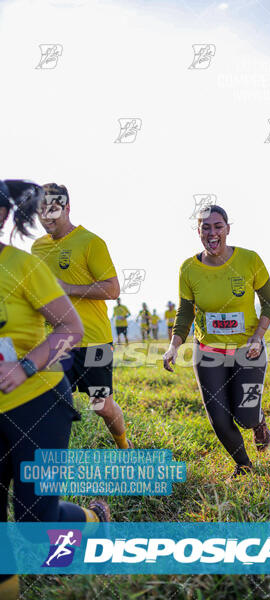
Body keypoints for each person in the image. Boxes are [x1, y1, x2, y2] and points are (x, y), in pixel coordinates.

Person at [0, 180, 110, 600]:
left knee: (32, 525)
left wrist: (24, 367)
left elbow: (71, 329)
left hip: (38, 403)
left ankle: (95, 518)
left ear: (3, 217)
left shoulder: (22, 266)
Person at [163, 205, 270, 481]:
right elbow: (186, 311)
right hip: (208, 354)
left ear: (227, 229)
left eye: (217, 226)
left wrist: (257, 337)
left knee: (246, 416)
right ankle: (244, 467)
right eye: (205, 227)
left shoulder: (249, 260)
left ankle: (258, 421)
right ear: (198, 231)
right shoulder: (189, 268)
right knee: (219, 419)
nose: (212, 232)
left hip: (247, 351)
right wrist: (174, 345)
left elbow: (269, 302)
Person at [31, 183, 132, 450]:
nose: (48, 216)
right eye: (42, 210)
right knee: (48, 402)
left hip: (94, 341)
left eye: (54, 209)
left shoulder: (90, 242)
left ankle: (124, 445)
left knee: (101, 405)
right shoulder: (37, 248)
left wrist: (67, 289)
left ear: (67, 208)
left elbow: (112, 289)